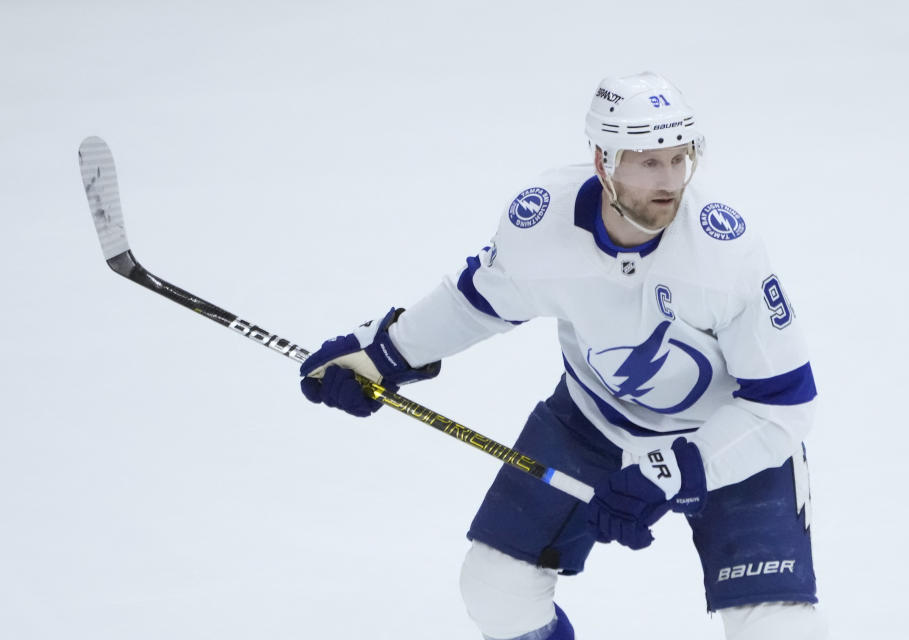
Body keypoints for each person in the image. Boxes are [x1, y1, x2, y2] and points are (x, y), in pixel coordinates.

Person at [299, 72, 827, 640]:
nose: (670, 180)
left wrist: (676, 468)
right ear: (602, 160)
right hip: (591, 424)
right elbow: (476, 302)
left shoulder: (726, 255)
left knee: (777, 630)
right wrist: (383, 355)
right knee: (496, 589)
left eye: (680, 159)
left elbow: (782, 407)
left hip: (727, 439)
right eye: (649, 162)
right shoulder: (543, 223)